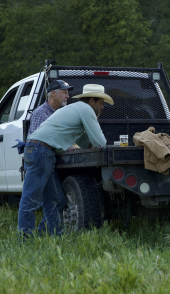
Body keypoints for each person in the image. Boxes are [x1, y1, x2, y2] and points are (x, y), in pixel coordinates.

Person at [17, 84, 112, 238]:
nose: (103, 107)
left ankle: (53, 237)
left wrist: (94, 120)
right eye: (101, 103)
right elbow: (101, 143)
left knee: (54, 201)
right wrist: (94, 121)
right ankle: (24, 240)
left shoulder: (78, 109)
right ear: (92, 100)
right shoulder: (86, 109)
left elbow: (83, 142)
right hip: (40, 151)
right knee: (31, 200)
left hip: (40, 151)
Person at [27, 80, 73, 235]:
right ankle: (25, 238)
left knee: (58, 199)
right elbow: (39, 140)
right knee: (31, 201)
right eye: (64, 92)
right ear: (53, 93)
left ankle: (43, 233)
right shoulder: (41, 113)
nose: (68, 96)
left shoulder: (58, 114)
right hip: (40, 158)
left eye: (67, 92)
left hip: (49, 160)